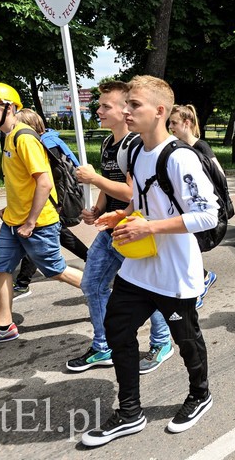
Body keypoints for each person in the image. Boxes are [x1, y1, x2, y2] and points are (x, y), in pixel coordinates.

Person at [81, 76, 219, 447]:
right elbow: (142, 204)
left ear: (159, 111)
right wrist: (121, 215)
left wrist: (150, 227)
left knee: (185, 339)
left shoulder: (181, 158)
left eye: (134, 105)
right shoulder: (136, 152)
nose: (126, 110)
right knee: (117, 329)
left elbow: (208, 216)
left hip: (174, 271)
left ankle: (200, 393)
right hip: (139, 268)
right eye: (125, 104)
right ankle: (129, 413)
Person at [0, 82, 82, 351]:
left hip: (36, 223)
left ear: (9, 107)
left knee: (57, 271)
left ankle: (108, 298)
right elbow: (21, 182)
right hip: (13, 221)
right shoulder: (8, 136)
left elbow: (44, 183)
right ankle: (4, 327)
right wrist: (10, 210)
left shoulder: (24, 137)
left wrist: (29, 221)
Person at [67, 82, 174, 373]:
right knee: (92, 284)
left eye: (106, 106)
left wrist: (94, 180)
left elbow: (132, 194)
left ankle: (162, 341)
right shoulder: (107, 143)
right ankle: (105, 347)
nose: (99, 110)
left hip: (135, 229)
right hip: (112, 228)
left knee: (150, 289)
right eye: (99, 105)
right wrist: (98, 208)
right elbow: (109, 180)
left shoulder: (136, 145)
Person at [12, 108, 89, 299]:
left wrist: (58, 205)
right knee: (47, 238)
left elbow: (58, 178)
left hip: (54, 203)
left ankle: (22, 284)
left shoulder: (45, 144)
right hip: (50, 202)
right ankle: (22, 282)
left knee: (38, 237)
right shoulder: (47, 139)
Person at [168, 104, 221, 306]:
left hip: (199, 209)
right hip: (184, 209)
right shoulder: (177, 148)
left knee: (190, 250)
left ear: (186, 123)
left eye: (174, 122)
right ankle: (199, 280)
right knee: (185, 249)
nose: (171, 126)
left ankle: (201, 283)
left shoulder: (201, 147)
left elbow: (219, 177)